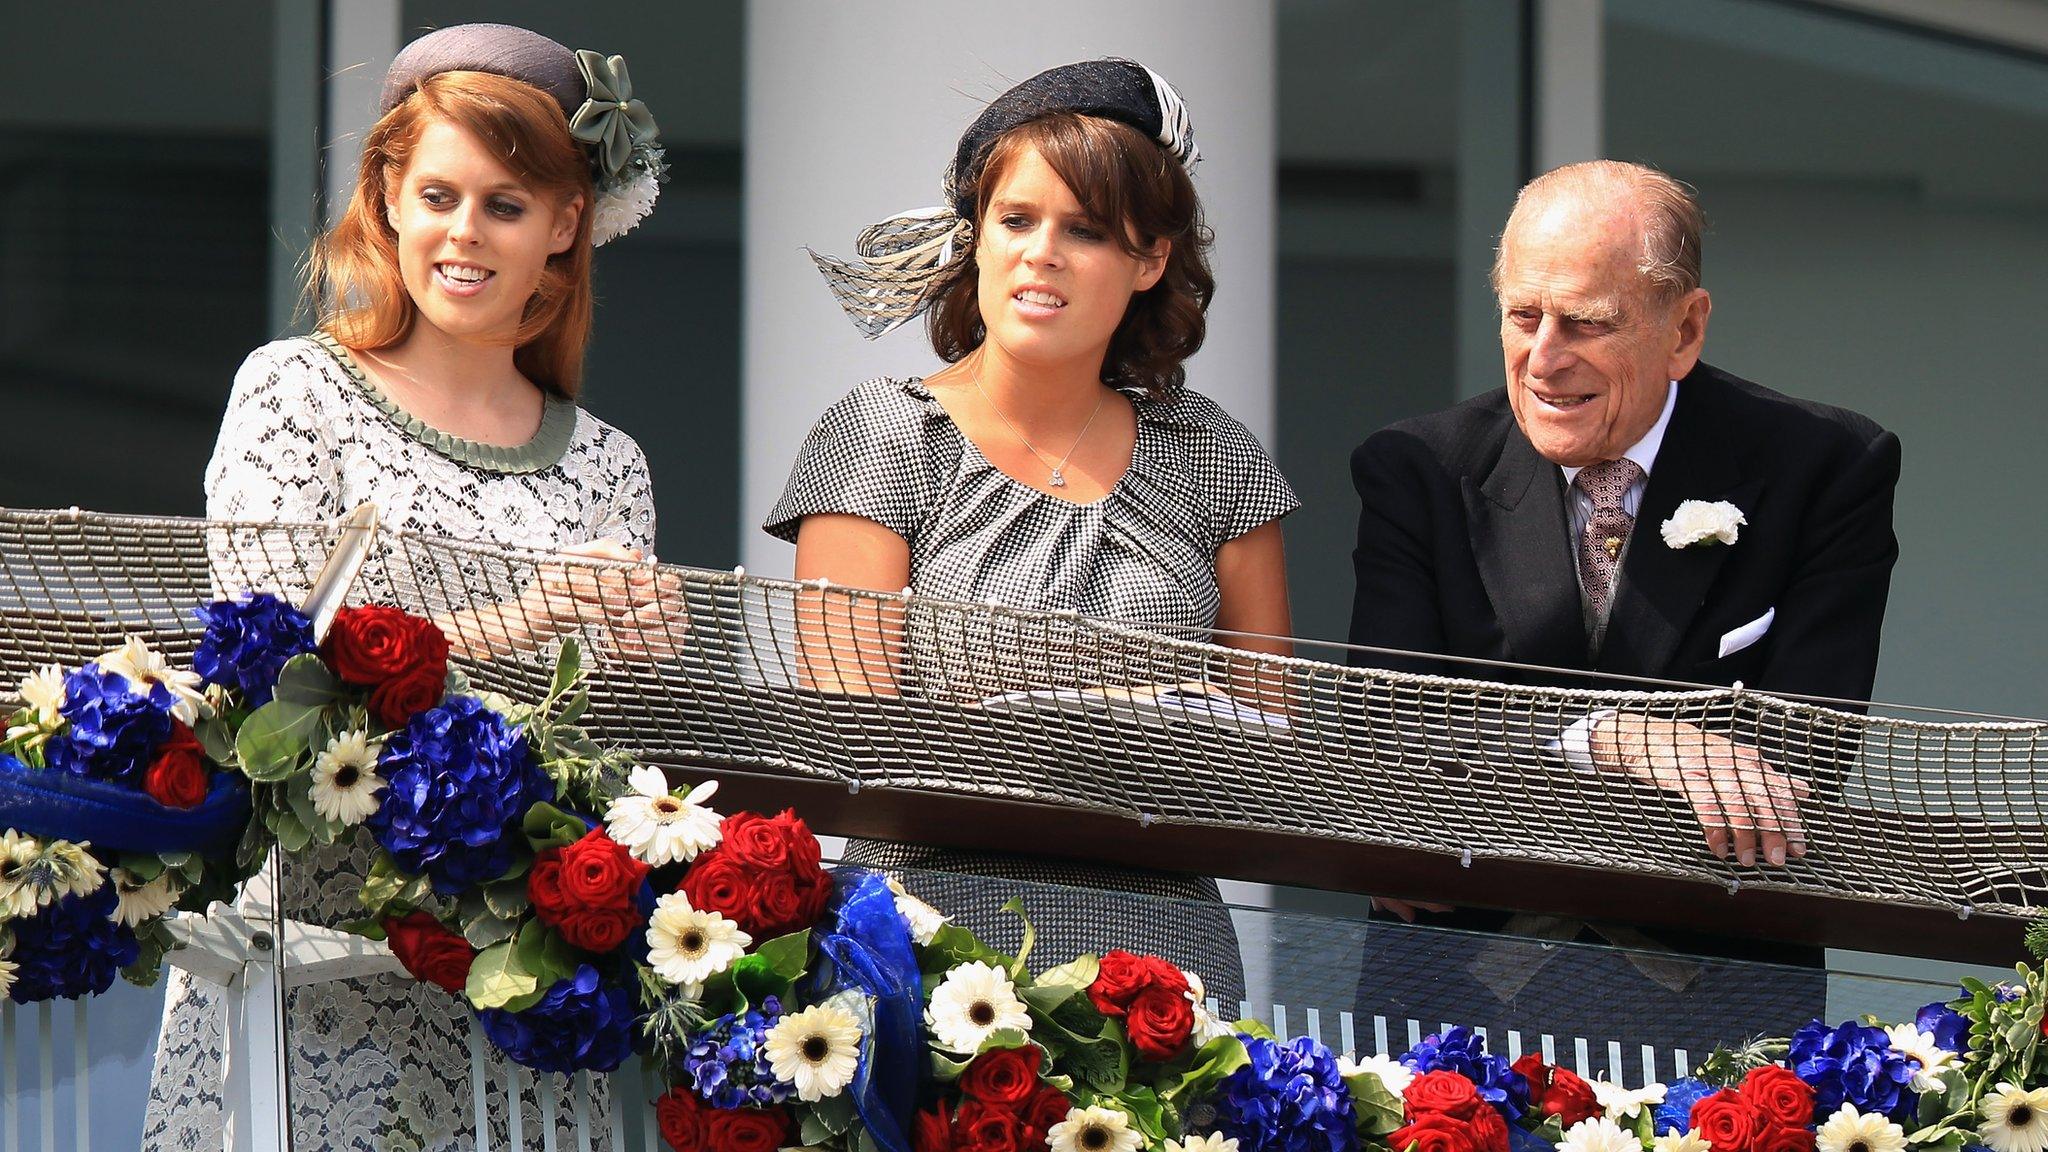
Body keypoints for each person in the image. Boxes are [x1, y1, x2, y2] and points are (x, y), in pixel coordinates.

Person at [145, 24, 678, 1150]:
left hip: (520, 985)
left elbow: (603, 758)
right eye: (438, 193)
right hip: (301, 971)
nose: (464, 234)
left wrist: (646, 661)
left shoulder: (609, 463)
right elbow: (274, 682)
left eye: (506, 204)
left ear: (566, 225)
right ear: (386, 194)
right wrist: (532, 618)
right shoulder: (298, 391)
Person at [768, 60, 1297, 1003]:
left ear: (1150, 259)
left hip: (1163, 959)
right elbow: (854, 741)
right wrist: (1122, 722)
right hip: (928, 944)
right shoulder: (880, 434)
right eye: (1016, 220)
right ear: (976, 237)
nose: (1040, 252)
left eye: (1085, 230)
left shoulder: (1213, 453)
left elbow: (1267, 742)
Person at [1346, 160, 1901, 1052]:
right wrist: (1628, 739)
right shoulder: (1418, 471)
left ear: (1684, 329)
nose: (1545, 357)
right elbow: (1391, 750)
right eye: (1523, 316)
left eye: (1588, 323)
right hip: (1454, 1027)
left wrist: (1516, 774)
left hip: (1723, 1033)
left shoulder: (1825, 469)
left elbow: (1799, 770)